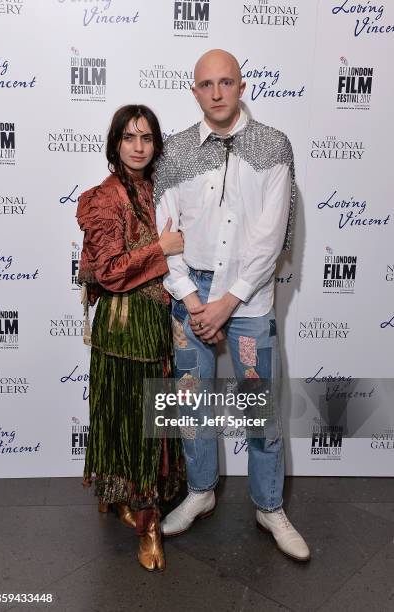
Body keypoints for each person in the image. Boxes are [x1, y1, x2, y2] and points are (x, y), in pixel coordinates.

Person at [155, 50, 310, 561]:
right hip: (191, 296)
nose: (217, 92)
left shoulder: (272, 146)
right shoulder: (175, 151)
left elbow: (269, 238)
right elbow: (166, 234)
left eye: (226, 82)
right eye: (207, 84)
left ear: (242, 86)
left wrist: (227, 302)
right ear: (194, 90)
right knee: (191, 406)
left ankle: (269, 506)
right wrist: (195, 300)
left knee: (259, 411)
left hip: (247, 298)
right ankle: (200, 493)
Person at [76, 104, 185, 572]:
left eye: (147, 138)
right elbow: (110, 271)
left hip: (155, 324)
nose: (139, 147)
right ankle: (147, 526)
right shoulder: (104, 197)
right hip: (122, 328)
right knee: (128, 421)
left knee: (149, 423)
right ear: (115, 143)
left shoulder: (162, 189)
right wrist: (161, 247)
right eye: (129, 137)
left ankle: (136, 504)